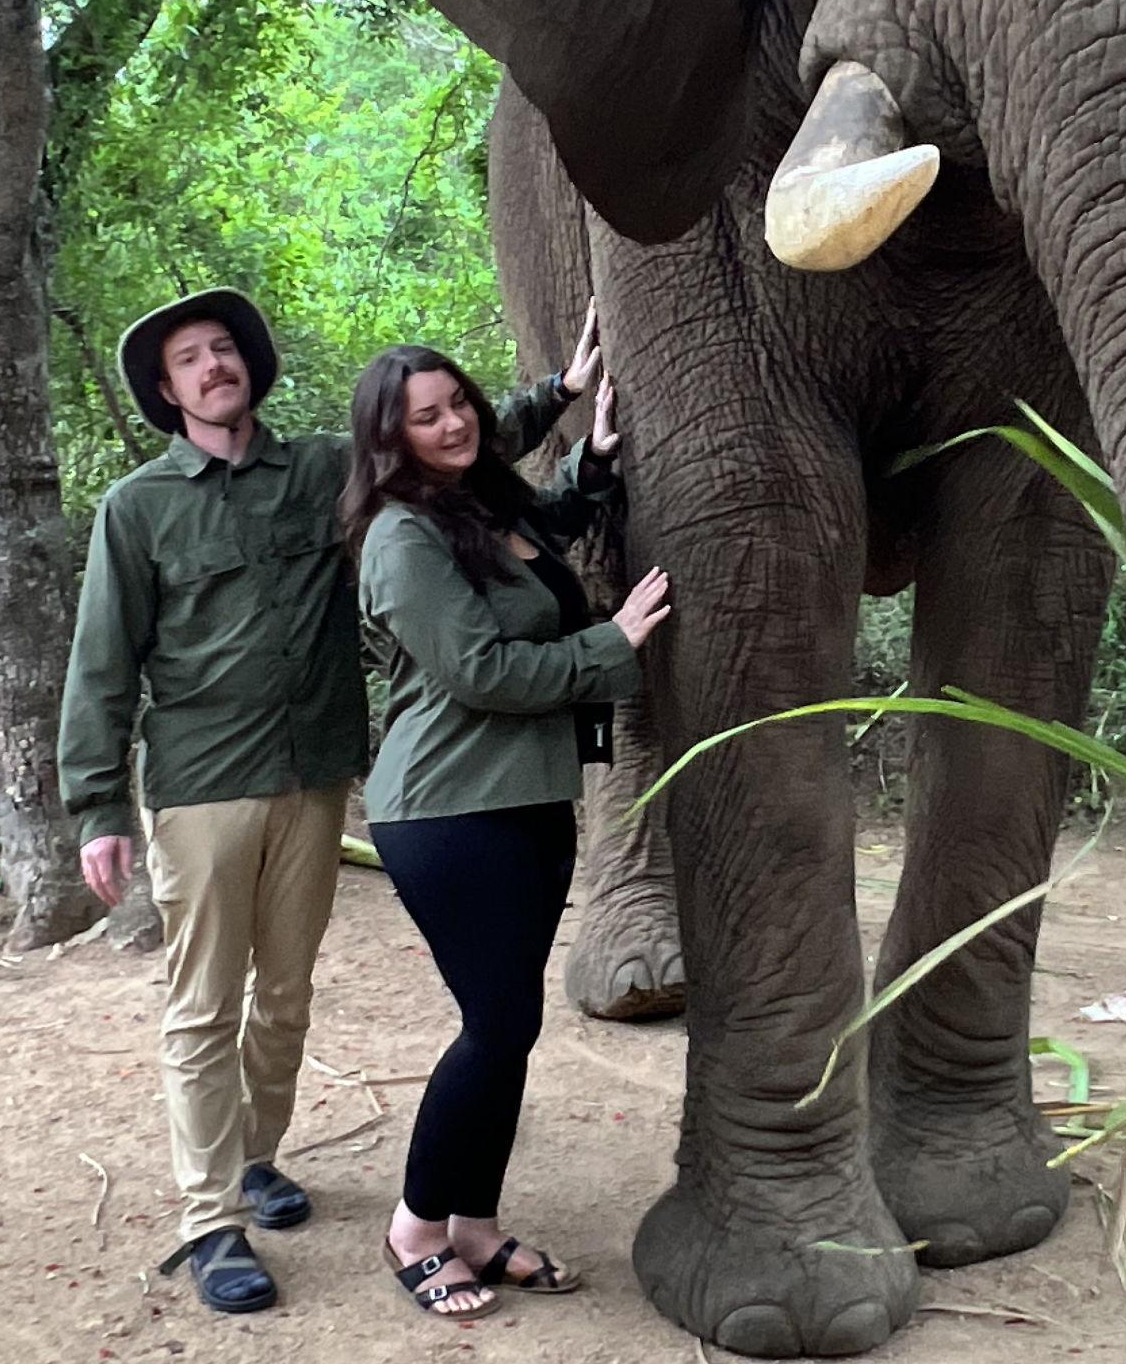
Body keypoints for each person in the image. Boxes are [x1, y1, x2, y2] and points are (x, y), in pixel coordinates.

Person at [58, 289, 606, 1314]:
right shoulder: (138, 506)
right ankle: (210, 1218)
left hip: (315, 775)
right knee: (203, 1005)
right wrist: (96, 805)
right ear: (165, 388)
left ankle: (256, 1158)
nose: (213, 365)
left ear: (249, 365)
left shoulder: (317, 473)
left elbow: (438, 443)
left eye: (225, 348)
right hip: (199, 786)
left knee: (286, 995)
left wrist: (559, 394)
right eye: (190, 357)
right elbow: (100, 664)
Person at [343, 337, 669, 1319]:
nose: (450, 424)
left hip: (526, 797)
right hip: (446, 807)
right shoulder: (401, 536)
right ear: (388, 438)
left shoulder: (479, 505)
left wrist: (593, 456)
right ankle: (415, 1226)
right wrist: (613, 641)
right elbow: (481, 670)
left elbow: (546, 532)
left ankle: (474, 1224)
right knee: (494, 1026)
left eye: (457, 403)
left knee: (512, 1025)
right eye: (424, 415)